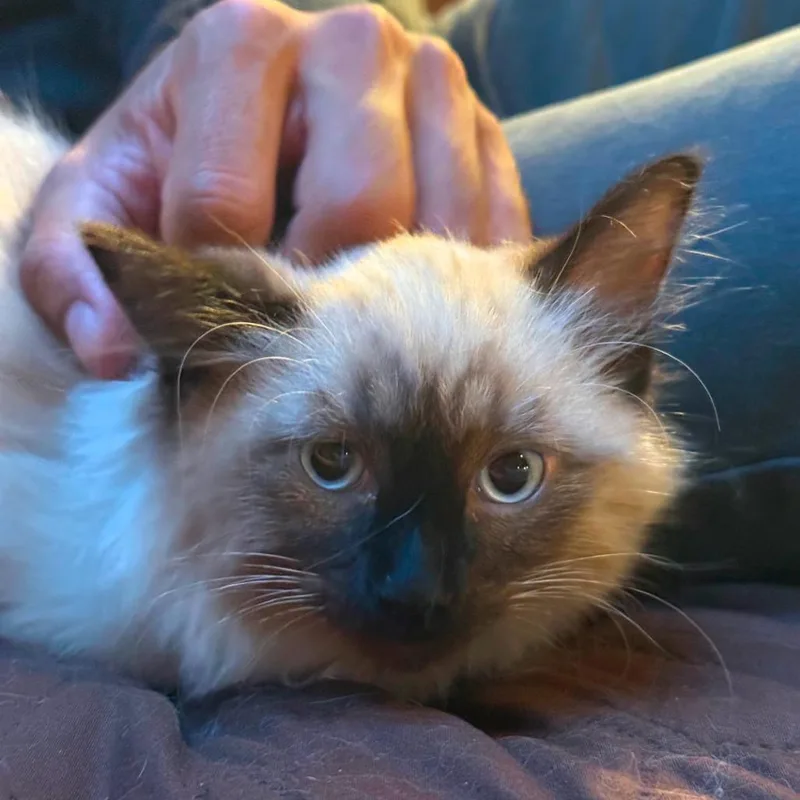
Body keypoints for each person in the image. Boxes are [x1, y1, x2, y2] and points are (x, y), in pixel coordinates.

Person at [2, 0, 800, 582]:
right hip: (151, 195)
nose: (420, 585)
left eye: (511, 477)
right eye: (331, 462)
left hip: (339, 77)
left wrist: (254, 49)